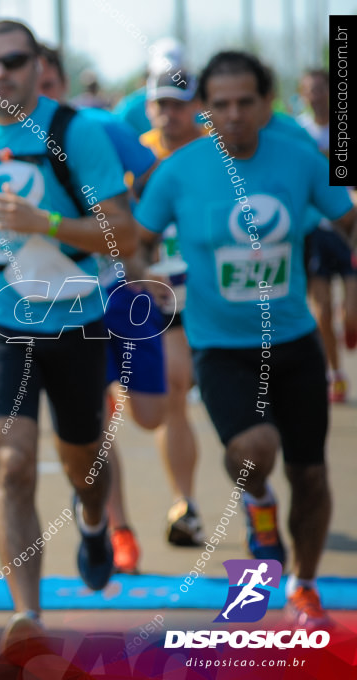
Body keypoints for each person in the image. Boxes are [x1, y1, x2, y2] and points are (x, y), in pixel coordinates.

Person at [0, 19, 137, 652]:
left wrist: (43, 222)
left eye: (13, 62)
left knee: (84, 461)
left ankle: (95, 520)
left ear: (37, 65)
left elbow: (122, 234)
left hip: (76, 317)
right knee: (12, 462)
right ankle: (29, 619)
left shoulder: (80, 133)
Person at [135, 50, 356, 630]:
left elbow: (347, 219)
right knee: (253, 450)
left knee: (311, 474)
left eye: (245, 102)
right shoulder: (180, 170)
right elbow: (136, 238)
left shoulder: (300, 159)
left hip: (294, 341)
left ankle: (304, 587)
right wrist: (143, 281)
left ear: (266, 104)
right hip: (221, 346)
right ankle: (258, 502)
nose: (233, 114)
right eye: (221, 104)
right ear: (205, 108)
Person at [38, 43, 165, 575]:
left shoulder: (97, 127)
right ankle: (120, 531)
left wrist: (150, 245)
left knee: (150, 414)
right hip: (68, 307)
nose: (34, 96)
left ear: (61, 86)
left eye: (46, 84)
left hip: (124, 291)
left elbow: (155, 171)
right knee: (96, 419)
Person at [137, 68, 208, 548]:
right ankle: (185, 504)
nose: (169, 112)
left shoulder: (220, 152)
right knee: (176, 392)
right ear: (148, 107)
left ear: (196, 105)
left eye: (179, 103)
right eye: (160, 103)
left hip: (229, 297)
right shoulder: (136, 158)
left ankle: (255, 492)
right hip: (170, 300)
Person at [296, 68, 357, 402]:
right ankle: (335, 374)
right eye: (310, 90)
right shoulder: (300, 132)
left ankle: (349, 327)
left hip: (347, 226)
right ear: (302, 95)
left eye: (321, 89)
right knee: (320, 306)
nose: (316, 96)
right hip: (315, 229)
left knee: (350, 310)